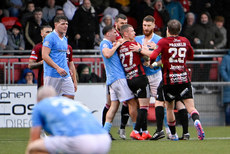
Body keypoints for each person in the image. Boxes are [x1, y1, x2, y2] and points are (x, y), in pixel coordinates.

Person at [149, 19, 205, 140]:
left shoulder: (163, 41)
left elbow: (153, 55)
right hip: (184, 79)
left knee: (169, 107)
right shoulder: (185, 40)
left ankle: (173, 134)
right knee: (190, 107)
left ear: (167, 30)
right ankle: (196, 121)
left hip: (169, 81)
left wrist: (151, 63)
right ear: (179, 30)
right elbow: (191, 56)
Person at [25, 86, 111, 154]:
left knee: (33, 147)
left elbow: (34, 139)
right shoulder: (72, 103)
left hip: (79, 141)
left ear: (38, 100)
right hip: (104, 140)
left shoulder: (40, 105)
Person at [100, 25, 138, 140]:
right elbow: (107, 54)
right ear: (107, 34)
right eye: (113, 32)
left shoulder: (111, 43)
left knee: (114, 106)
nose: (116, 34)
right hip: (118, 78)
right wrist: (116, 45)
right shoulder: (105, 43)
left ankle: (105, 132)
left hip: (112, 80)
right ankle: (136, 131)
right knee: (132, 103)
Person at [118, 24, 151, 140]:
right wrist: (143, 49)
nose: (134, 33)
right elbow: (151, 54)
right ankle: (136, 131)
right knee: (144, 106)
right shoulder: (134, 44)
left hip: (129, 79)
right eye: (132, 31)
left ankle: (144, 131)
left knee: (133, 104)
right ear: (125, 33)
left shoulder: (120, 47)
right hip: (140, 77)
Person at [42, 15, 75, 99]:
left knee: (70, 96)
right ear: (56, 25)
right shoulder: (50, 37)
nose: (65, 26)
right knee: (50, 100)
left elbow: (63, 56)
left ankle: (63, 112)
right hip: (52, 74)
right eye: (63, 24)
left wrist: (67, 69)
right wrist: (57, 68)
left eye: (67, 24)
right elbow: (44, 56)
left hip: (65, 74)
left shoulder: (64, 39)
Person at [219, 50, 230, 126]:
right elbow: (222, 70)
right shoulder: (226, 58)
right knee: (228, 107)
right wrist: (228, 80)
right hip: (228, 87)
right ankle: (228, 124)